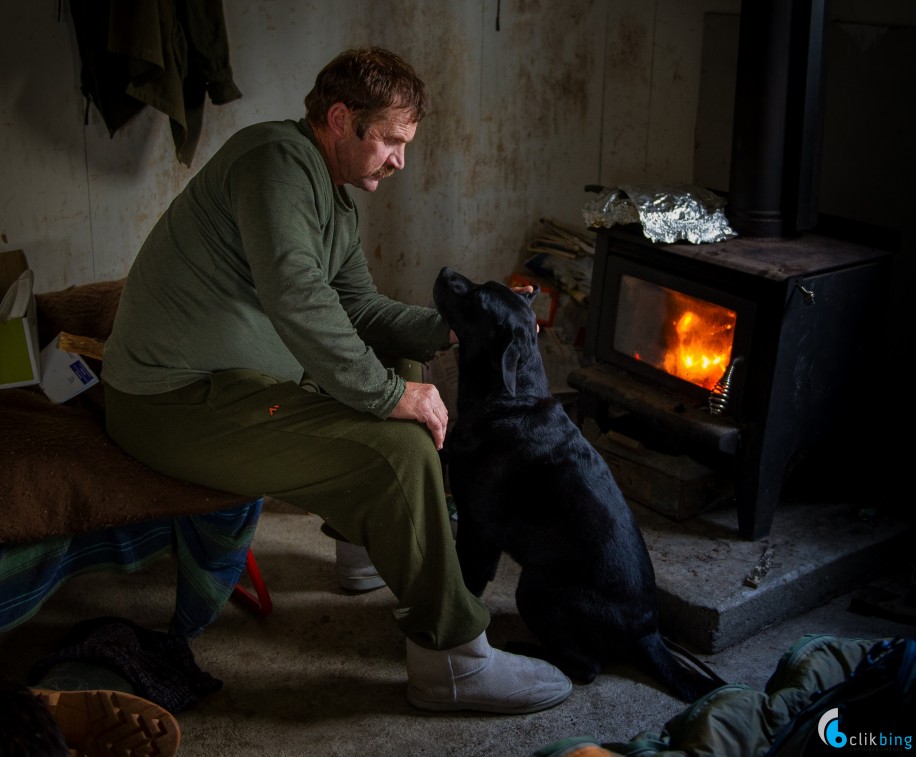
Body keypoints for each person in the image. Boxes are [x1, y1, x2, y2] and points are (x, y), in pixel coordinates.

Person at [101, 46, 572, 714]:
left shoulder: (336, 203)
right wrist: (387, 399)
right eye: (391, 141)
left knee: (399, 361)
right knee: (401, 445)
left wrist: (456, 329)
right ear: (342, 119)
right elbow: (297, 296)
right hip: (173, 400)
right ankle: (453, 660)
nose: (400, 160)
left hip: (229, 383)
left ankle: (360, 550)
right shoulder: (276, 161)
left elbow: (361, 309)